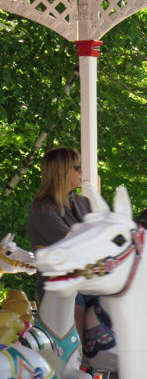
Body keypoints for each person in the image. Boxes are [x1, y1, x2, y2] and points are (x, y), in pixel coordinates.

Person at [27, 147, 97, 345]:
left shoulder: (83, 202)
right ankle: (74, 361)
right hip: (61, 284)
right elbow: (72, 243)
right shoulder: (42, 208)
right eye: (76, 167)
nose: (80, 171)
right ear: (62, 171)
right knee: (75, 342)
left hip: (90, 280)